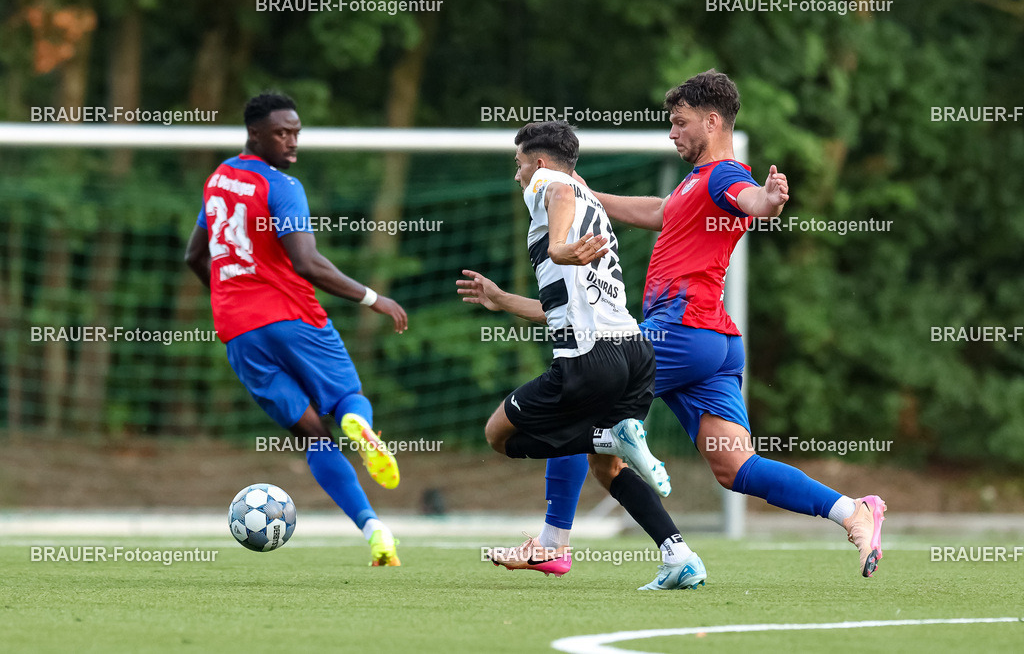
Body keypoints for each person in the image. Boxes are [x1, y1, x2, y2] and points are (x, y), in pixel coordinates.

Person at [492, 70, 887, 579]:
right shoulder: (692, 185)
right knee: (734, 467)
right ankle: (852, 511)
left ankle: (553, 544)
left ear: (713, 120)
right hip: (716, 343)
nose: (672, 133)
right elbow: (658, 211)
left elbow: (749, 199)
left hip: (677, 329)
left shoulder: (723, 174)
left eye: (680, 123)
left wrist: (767, 202)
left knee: (580, 407)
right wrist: (585, 192)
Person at [457, 120, 706, 590]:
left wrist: (557, 248)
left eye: (519, 165)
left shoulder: (553, 186)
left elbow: (558, 194)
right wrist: (501, 299)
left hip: (590, 359)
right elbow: (562, 305)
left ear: (540, 162)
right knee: (605, 467)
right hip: (634, 354)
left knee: (497, 436)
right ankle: (679, 555)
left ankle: (608, 445)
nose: (517, 176)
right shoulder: (593, 206)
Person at [184, 92, 407, 566]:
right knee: (347, 399)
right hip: (292, 314)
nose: (292, 141)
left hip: (239, 330)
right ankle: (359, 425)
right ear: (255, 134)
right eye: (282, 133)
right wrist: (373, 298)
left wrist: (228, 298)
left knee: (311, 435)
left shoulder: (219, 178)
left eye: (296, 132)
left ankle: (374, 528)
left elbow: (193, 257)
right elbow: (307, 263)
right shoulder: (282, 186)